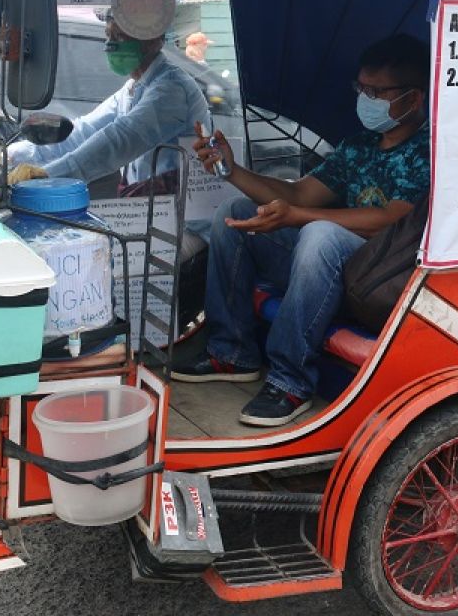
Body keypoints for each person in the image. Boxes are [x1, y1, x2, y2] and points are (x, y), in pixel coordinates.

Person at [174, 34, 432, 427]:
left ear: (413, 99)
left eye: (377, 93)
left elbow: (391, 217)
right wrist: (232, 170)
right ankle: (231, 352)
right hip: (325, 269)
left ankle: (290, 381)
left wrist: (301, 216)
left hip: (381, 279)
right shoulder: (358, 146)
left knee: (320, 232)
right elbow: (298, 193)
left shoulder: (428, 150)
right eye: (362, 89)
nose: (366, 99)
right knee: (236, 213)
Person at [7, 0, 211, 188]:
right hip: (149, 205)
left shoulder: (171, 91)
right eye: (108, 36)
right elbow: (83, 131)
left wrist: (46, 175)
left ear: (152, 42)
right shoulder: (134, 88)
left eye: (120, 38)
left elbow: (117, 141)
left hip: (179, 214)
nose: (110, 45)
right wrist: (12, 155)